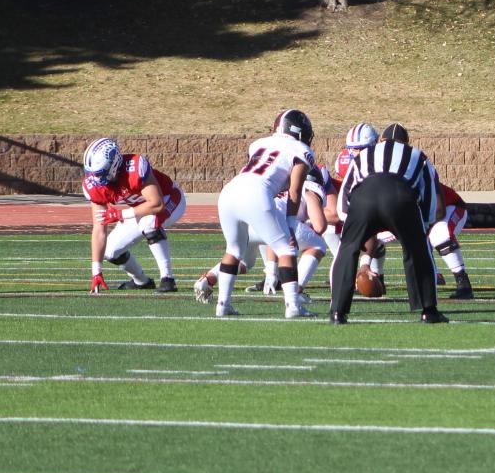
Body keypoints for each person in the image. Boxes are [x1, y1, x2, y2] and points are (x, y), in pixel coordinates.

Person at [330, 128, 446, 325]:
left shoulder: (365, 154)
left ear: (381, 140)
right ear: (407, 142)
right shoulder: (417, 155)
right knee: (418, 251)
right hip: (400, 197)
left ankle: (337, 312)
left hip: (364, 198)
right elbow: (428, 197)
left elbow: (346, 191)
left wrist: (350, 222)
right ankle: (428, 310)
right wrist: (423, 227)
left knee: (347, 249)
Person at [210, 110, 318, 319]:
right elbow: (295, 191)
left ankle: (222, 305)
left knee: (234, 250)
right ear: (300, 131)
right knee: (286, 249)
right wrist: (291, 222)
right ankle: (293, 307)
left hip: (230, 191)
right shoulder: (300, 149)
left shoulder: (259, 143)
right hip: (257, 192)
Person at [82, 138, 186, 294]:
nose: (95, 178)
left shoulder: (134, 167)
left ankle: (167, 278)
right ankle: (141, 281)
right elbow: (99, 228)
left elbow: (156, 204)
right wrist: (96, 271)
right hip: (141, 209)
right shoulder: (95, 186)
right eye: (93, 174)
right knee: (110, 251)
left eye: (100, 173)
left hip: (170, 198)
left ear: (114, 164)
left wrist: (121, 214)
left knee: (148, 223)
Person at [429, 175, 475, 300]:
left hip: (451, 207)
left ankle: (463, 282)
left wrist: (426, 226)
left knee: (439, 235)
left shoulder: (421, 172)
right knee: (379, 235)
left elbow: (440, 211)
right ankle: (376, 275)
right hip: (427, 215)